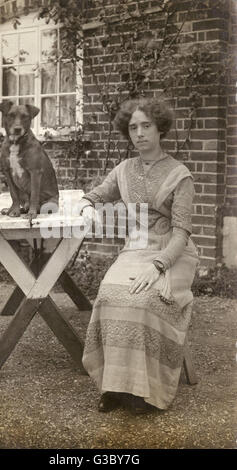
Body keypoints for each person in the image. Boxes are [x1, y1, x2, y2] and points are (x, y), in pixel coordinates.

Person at [79, 96, 199, 414]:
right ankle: (114, 386)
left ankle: (145, 391)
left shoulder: (180, 175)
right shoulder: (123, 170)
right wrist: (88, 203)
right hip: (136, 248)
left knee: (144, 301)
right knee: (109, 295)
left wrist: (158, 267)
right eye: (133, 127)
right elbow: (99, 192)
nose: (140, 133)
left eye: (146, 125)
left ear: (160, 129)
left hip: (174, 252)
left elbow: (182, 232)